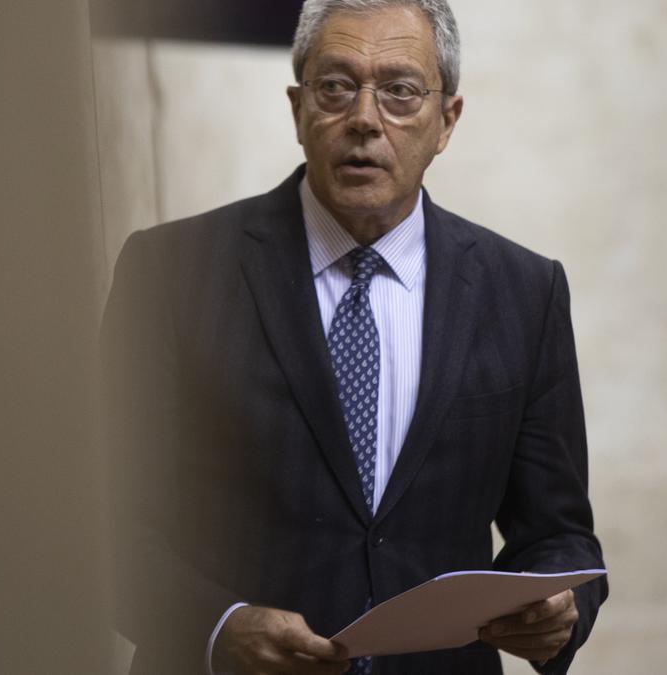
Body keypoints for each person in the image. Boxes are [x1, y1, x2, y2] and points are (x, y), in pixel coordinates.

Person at [101, 1, 607, 673]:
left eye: (400, 91)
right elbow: (102, 520)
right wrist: (219, 626)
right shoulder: (171, 273)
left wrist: (558, 607)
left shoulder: (524, 292)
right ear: (297, 109)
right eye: (335, 87)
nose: (365, 119)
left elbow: (562, 534)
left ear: (446, 121)